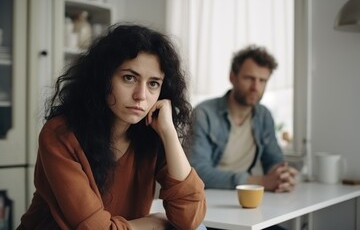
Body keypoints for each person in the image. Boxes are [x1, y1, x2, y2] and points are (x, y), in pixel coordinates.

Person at [18, 24, 206, 230]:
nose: (141, 96)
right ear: (103, 78)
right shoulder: (60, 134)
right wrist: (153, 223)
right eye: (129, 78)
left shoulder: (152, 133)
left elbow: (189, 218)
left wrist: (169, 133)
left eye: (153, 83)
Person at [188, 45, 298, 193]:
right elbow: (197, 172)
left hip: (244, 195)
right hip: (206, 196)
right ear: (232, 77)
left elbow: (273, 160)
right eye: (249, 78)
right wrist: (260, 182)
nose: (255, 87)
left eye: (262, 81)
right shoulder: (204, 114)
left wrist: (282, 175)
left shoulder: (263, 116)